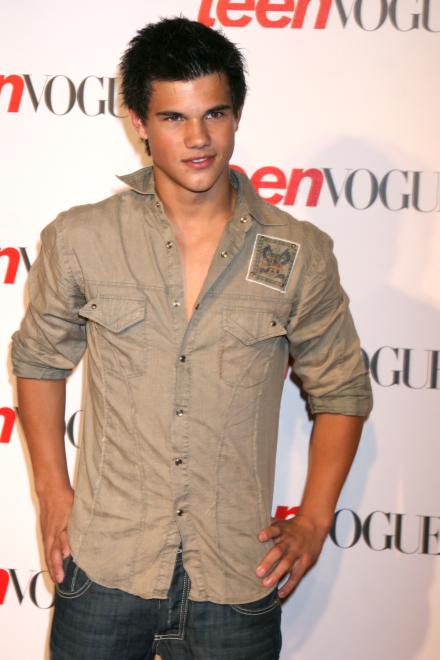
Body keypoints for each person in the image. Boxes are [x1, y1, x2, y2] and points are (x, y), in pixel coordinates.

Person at [11, 16, 372, 660]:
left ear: (237, 115)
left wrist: (315, 521)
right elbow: (39, 361)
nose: (199, 138)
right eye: (174, 118)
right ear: (139, 123)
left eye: (215, 114)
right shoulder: (82, 239)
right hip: (105, 567)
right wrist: (51, 493)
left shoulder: (298, 251)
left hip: (235, 577)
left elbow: (342, 389)